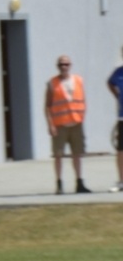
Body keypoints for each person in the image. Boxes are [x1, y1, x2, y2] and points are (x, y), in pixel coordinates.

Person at [46, 55, 89, 194]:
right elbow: (47, 106)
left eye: (66, 64)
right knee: (58, 155)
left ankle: (79, 183)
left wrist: (82, 116)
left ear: (70, 65)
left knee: (77, 154)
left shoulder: (78, 80)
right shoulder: (52, 83)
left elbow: (83, 100)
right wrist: (51, 125)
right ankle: (59, 184)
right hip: (60, 125)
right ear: (57, 66)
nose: (63, 67)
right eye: (61, 65)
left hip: (76, 123)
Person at [109, 46, 123, 193]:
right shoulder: (118, 72)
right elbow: (110, 83)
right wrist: (117, 97)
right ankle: (121, 181)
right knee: (121, 150)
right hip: (122, 116)